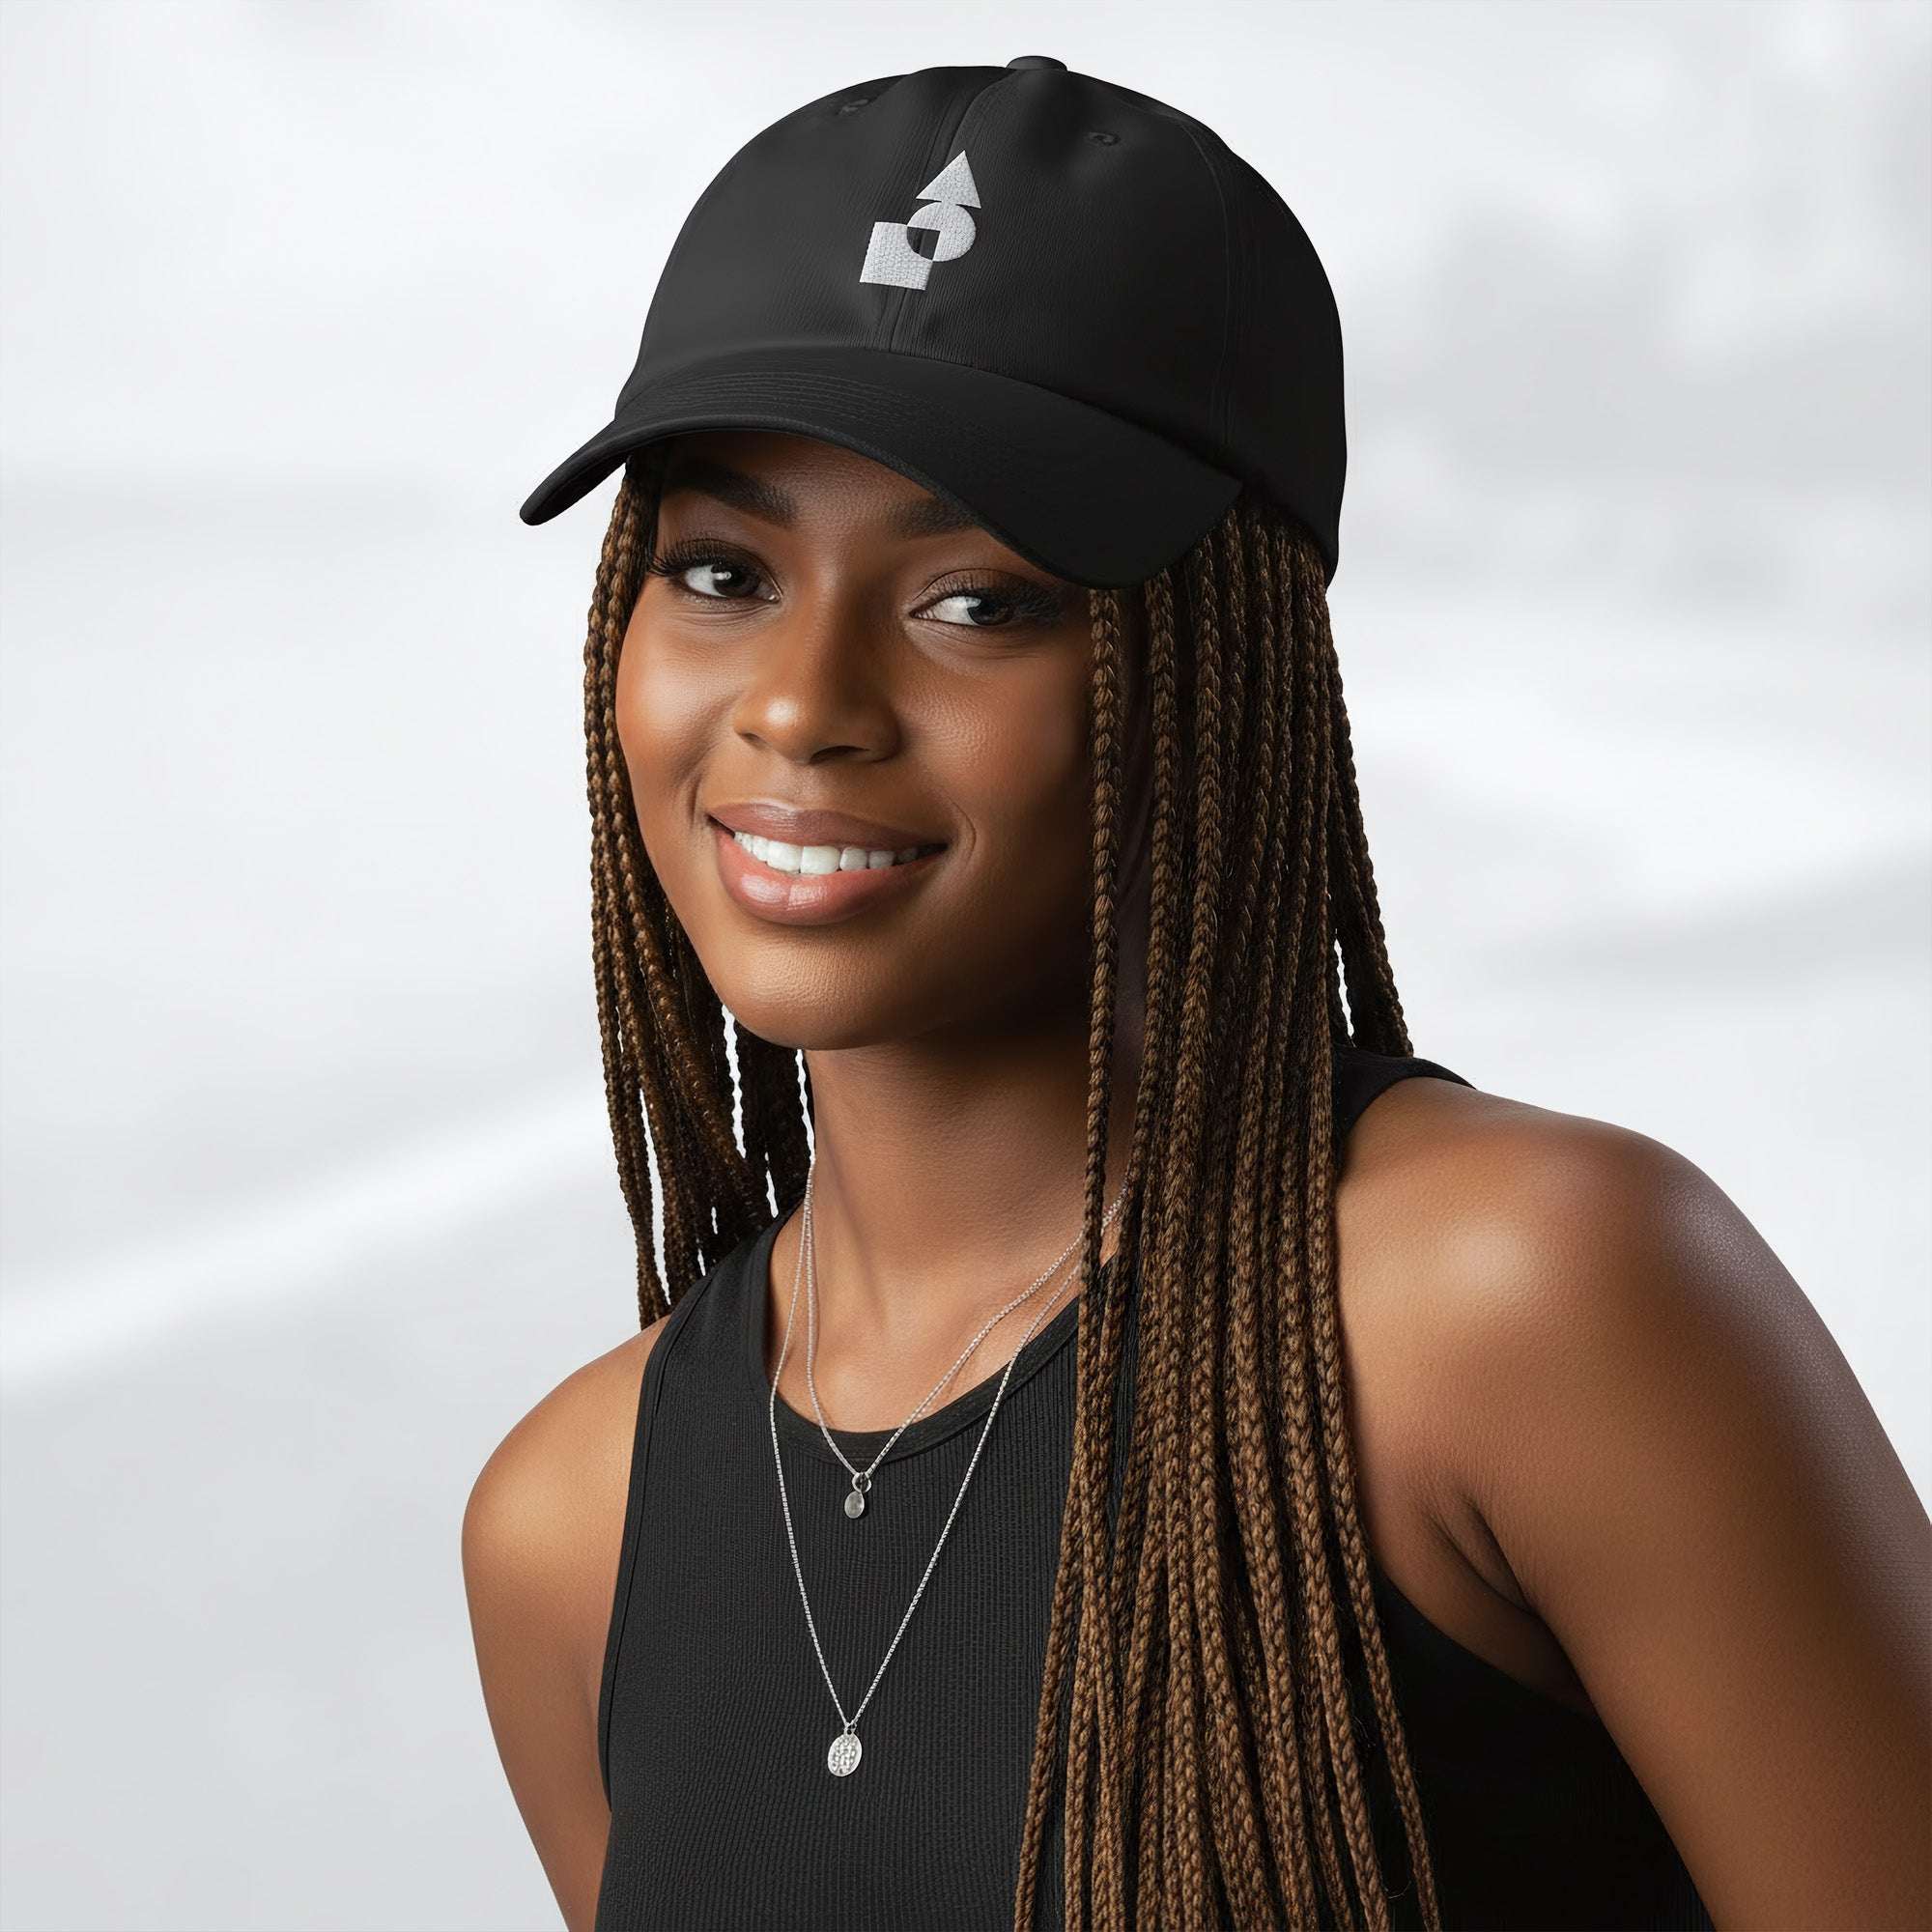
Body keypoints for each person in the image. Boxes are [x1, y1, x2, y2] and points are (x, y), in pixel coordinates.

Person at [461, 57, 1931, 1932]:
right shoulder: (571, 1525)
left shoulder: (1521, 1297)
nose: (802, 701)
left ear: (1216, 668)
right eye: (725, 570)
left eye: (975, 598)